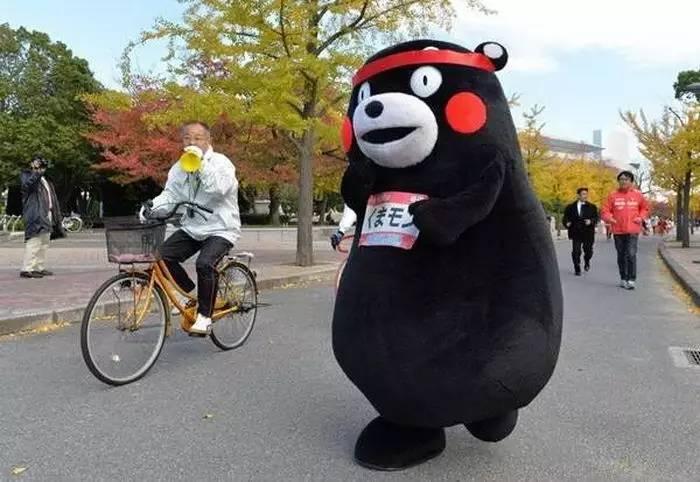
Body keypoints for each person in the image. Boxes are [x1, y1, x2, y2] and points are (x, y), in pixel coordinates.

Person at [143, 121, 241, 335]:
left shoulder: (221, 163)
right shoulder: (179, 168)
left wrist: (200, 165)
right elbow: (170, 195)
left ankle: (205, 317)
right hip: (192, 227)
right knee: (161, 256)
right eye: (187, 138)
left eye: (198, 138)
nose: (192, 142)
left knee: (205, 263)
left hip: (221, 228)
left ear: (208, 141)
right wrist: (151, 207)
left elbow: (219, 190)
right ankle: (195, 295)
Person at [601, 171, 649, 290]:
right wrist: (609, 218)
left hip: (633, 229)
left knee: (631, 254)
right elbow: (605, 210)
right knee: (621, 255)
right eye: (621, 179)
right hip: (618, 230)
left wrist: (641, 217)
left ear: (631, 181)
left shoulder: (638, 195)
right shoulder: (612, 195)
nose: (623, 181)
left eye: (626, 179)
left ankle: (632, 279)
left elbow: (645, 208)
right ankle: (623, 277)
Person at [19, 156, 64, 278]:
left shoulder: (45, 179)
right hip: (35, 213)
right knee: (34, 241)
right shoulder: (26, 175)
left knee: (44, 242)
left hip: (46, 213)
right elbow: (28, 186)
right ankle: (27, 268)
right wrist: (35, 171)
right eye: (38, 164)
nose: (41, 167)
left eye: (42, 165)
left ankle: (39, 267)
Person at [562, 187, 599, 276]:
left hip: (588, 232)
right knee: (576, 251)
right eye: (583, 194)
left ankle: (587, 261)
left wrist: (591, 221)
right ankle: (577, 266)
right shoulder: (570, 207)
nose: (585, 196)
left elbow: (596, 218)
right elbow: (565, 217)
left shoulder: (592, 207)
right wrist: (567, 223)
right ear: (578, 195)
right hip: (576, 232)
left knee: (588, 251)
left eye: (586, 194)